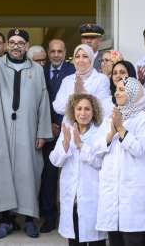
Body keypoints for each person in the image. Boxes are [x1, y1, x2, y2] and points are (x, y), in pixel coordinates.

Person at [0, 23, 52, 239]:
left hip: (28, 130)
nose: (16, 46)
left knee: (29, 173)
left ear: (27, 45)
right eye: (12, 43)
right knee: (2, 174)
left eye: (20, 43)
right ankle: (6, 221)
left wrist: (42, 132)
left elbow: (43, 102)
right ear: (7, 45)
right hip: (1, 128)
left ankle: (29, 219)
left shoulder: (36, 70)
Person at [95, 77, 145, 246]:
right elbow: (96, 149)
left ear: (132, 93)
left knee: (133, 239)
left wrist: (121, 128)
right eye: (116, 89)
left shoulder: (144, 118)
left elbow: (139, 148)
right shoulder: (110, 117)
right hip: (111, 189)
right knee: (114, 238)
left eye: (121, 90)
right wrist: (110, 134)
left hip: (133, 189)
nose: (116, 93)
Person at [49, 94, 106, 246]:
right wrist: (65, 145)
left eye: (87, 109)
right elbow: (55, 160)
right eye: (79, 109)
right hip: (72, 199)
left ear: (94, 111)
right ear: (73, 111)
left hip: (92, 197)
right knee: (74, 241)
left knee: (96, 241)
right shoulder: (66, 130)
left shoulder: (99, 132)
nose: (83, 113)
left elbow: (101, 162)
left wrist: (81, 146)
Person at [39, 38, 76, 233]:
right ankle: (49, 216)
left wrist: (62, 125)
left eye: (59, 51)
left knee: (71, 175)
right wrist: (48, 124)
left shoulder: (73, 70)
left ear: (65, 52)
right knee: (48, 175)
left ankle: (72, 216)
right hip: (47, 130)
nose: (56, 55)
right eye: (52, 51)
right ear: (48, 52)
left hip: (68, 129)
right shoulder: (40, 71)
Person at [53, 44, 111, 118]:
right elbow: (57, 107)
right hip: (70, 124)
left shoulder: (102, 79)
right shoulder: (67, 80)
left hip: (93, 124)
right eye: (77, 57)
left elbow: (104, 108)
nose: (81, 60)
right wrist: (75, 95)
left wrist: (83, 94)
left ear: (91, 59)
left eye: (85, 56)